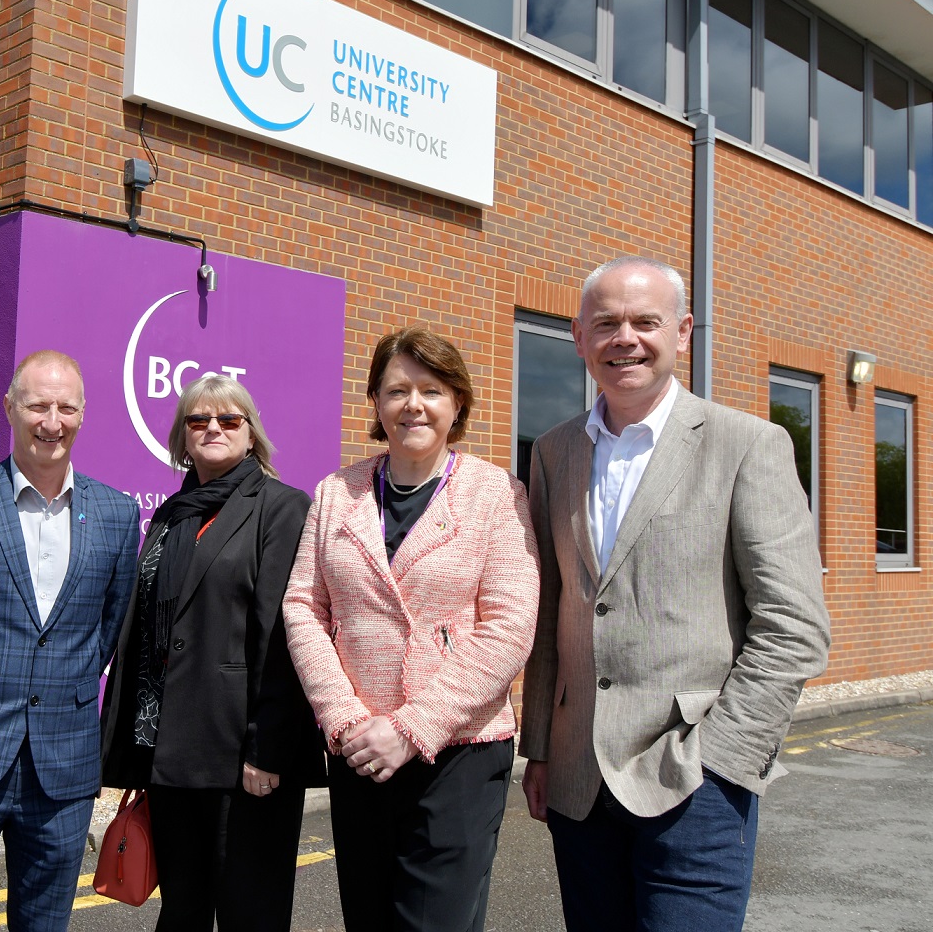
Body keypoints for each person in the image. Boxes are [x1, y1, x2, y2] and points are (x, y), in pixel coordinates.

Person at [518, 256, 830, 931]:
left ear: (683, 332)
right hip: (578, 783)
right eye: (605, 324)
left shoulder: (748, 445)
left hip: (695, 777)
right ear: (578, 337)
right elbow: (553, 613)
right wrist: (540, 745)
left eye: (644, 321)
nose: (623, 338)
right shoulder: (553, 451)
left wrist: (722, 759)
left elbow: (793, 623)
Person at [282, 326, 539, 932]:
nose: (413, 405)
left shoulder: (496, 494)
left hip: (458, 753)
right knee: (368, 918)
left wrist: (412, 726)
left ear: (457, 404)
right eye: (397, 390)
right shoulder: (334, 493)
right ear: (375, 402)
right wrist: (344, 720)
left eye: (432, 390)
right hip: (360, 750)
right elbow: (304, 608)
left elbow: (508, 628)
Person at [0, 350, 139, 932]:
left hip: (62, 763)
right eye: (37, 405)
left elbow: (106, 632)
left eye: (66, 408)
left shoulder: (114, 514)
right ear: (9, 409)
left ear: (84, 415)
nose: (51, 422)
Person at [101, 374, 321, 931]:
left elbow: (284, 637)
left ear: (251, 436)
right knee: (182, 912)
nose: (213, 429)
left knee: (251, 914)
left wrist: (266, 750)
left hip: (243, 760)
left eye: (229, 419)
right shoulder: (173, 514)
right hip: (170, 755)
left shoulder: (283, 508)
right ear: (183, 436)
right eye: (199, 420)